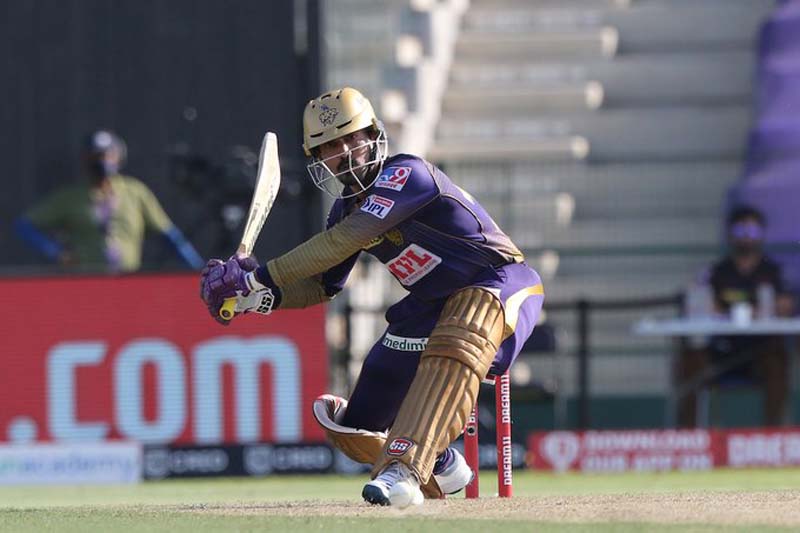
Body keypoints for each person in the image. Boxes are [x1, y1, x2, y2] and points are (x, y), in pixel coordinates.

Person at [199, 87, 544, 507]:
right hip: (431, 305)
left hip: (500, 282)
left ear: (373, 135)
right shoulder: (344, 209)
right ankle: (441, 462)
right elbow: (321, 285)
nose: (344, 152)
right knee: (354, 426)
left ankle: (405, 469)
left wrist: (257, 278)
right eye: (330, 147)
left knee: (462, 327)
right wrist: (256, 298)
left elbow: (346, 240)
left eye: (352, 138)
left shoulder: (406, 175)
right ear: (318, 159)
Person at [14, 130, 203, 273]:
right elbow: (24, 225)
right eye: (95, 156)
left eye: (106, 155)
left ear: (118, 157)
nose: (101, 162)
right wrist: (56, 252)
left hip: (129, 281)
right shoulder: (70, 197)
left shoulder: (135, 192)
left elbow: (169, 235)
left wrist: (199, 270)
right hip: (85, 283)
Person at [677, 205, 794, 427]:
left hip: (760, 350)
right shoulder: (716, 272)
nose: (747, 237)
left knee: (778, 361)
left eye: (753, 231)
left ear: (761, 234)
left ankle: (772, 433)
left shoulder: (774, 272)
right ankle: (689, 436)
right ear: (730, 234)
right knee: (689, 361)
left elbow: (786, 305)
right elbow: (700, 303)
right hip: (722, 350)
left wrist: (779, 306)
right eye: (740, 231)